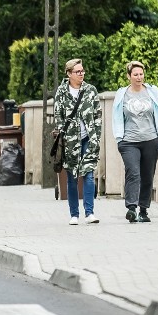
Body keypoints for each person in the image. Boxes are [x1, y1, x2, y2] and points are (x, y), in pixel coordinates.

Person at [112, 60, 158, 223]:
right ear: (129, 76)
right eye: (135, 74)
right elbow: (116, 116)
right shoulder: (122, 94)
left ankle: (143, 210)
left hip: (151, 139)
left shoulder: (152, 92)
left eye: (141, 74)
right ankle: (131, 208)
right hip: (129, 141)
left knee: (147, 175)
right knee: (133, 172)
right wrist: (119, 139)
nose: (139, 77)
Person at [54, 59, 102, 225]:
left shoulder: (90, 90)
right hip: (69, 141)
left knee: (88, 174)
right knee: (72, 177)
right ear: (69, 74)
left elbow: (97, 114)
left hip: (88, 138)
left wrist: (96, 135)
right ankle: (74, 214)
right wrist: (63, 134)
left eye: (82, 71)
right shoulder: (61, 92)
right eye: (78, 72)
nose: (81, 74)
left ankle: (90, 213)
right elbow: (58, 115)